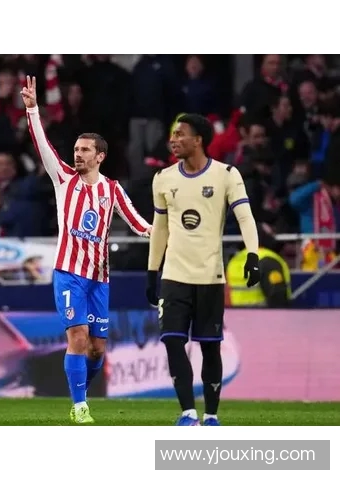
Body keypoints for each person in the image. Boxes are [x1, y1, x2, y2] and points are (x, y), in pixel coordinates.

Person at [22, 75, 152, 424]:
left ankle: (79, 390)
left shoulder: (112, 189)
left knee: (97, 348)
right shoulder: (64, 179)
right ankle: (80, 406)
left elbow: (138, 223)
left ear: (100, 156)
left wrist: (162, 235)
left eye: (84, 150)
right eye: (76, 150)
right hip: (69, 273)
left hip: (99, 278)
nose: (77, 155)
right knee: (77, 337)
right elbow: (43, 146)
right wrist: (33, 110)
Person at [146, 113, 261, 426]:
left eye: (180, 134)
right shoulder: (163, 178)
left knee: (210, 348)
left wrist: (253, 255)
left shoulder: (226, 175)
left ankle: (211, 416)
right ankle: (187, 413)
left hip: (210, 276)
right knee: (172, 341)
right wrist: (152, 272)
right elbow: (160, 228)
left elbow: (245, 217)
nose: (173, 140)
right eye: (173, 134)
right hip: (174, 276)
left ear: (198, 140)